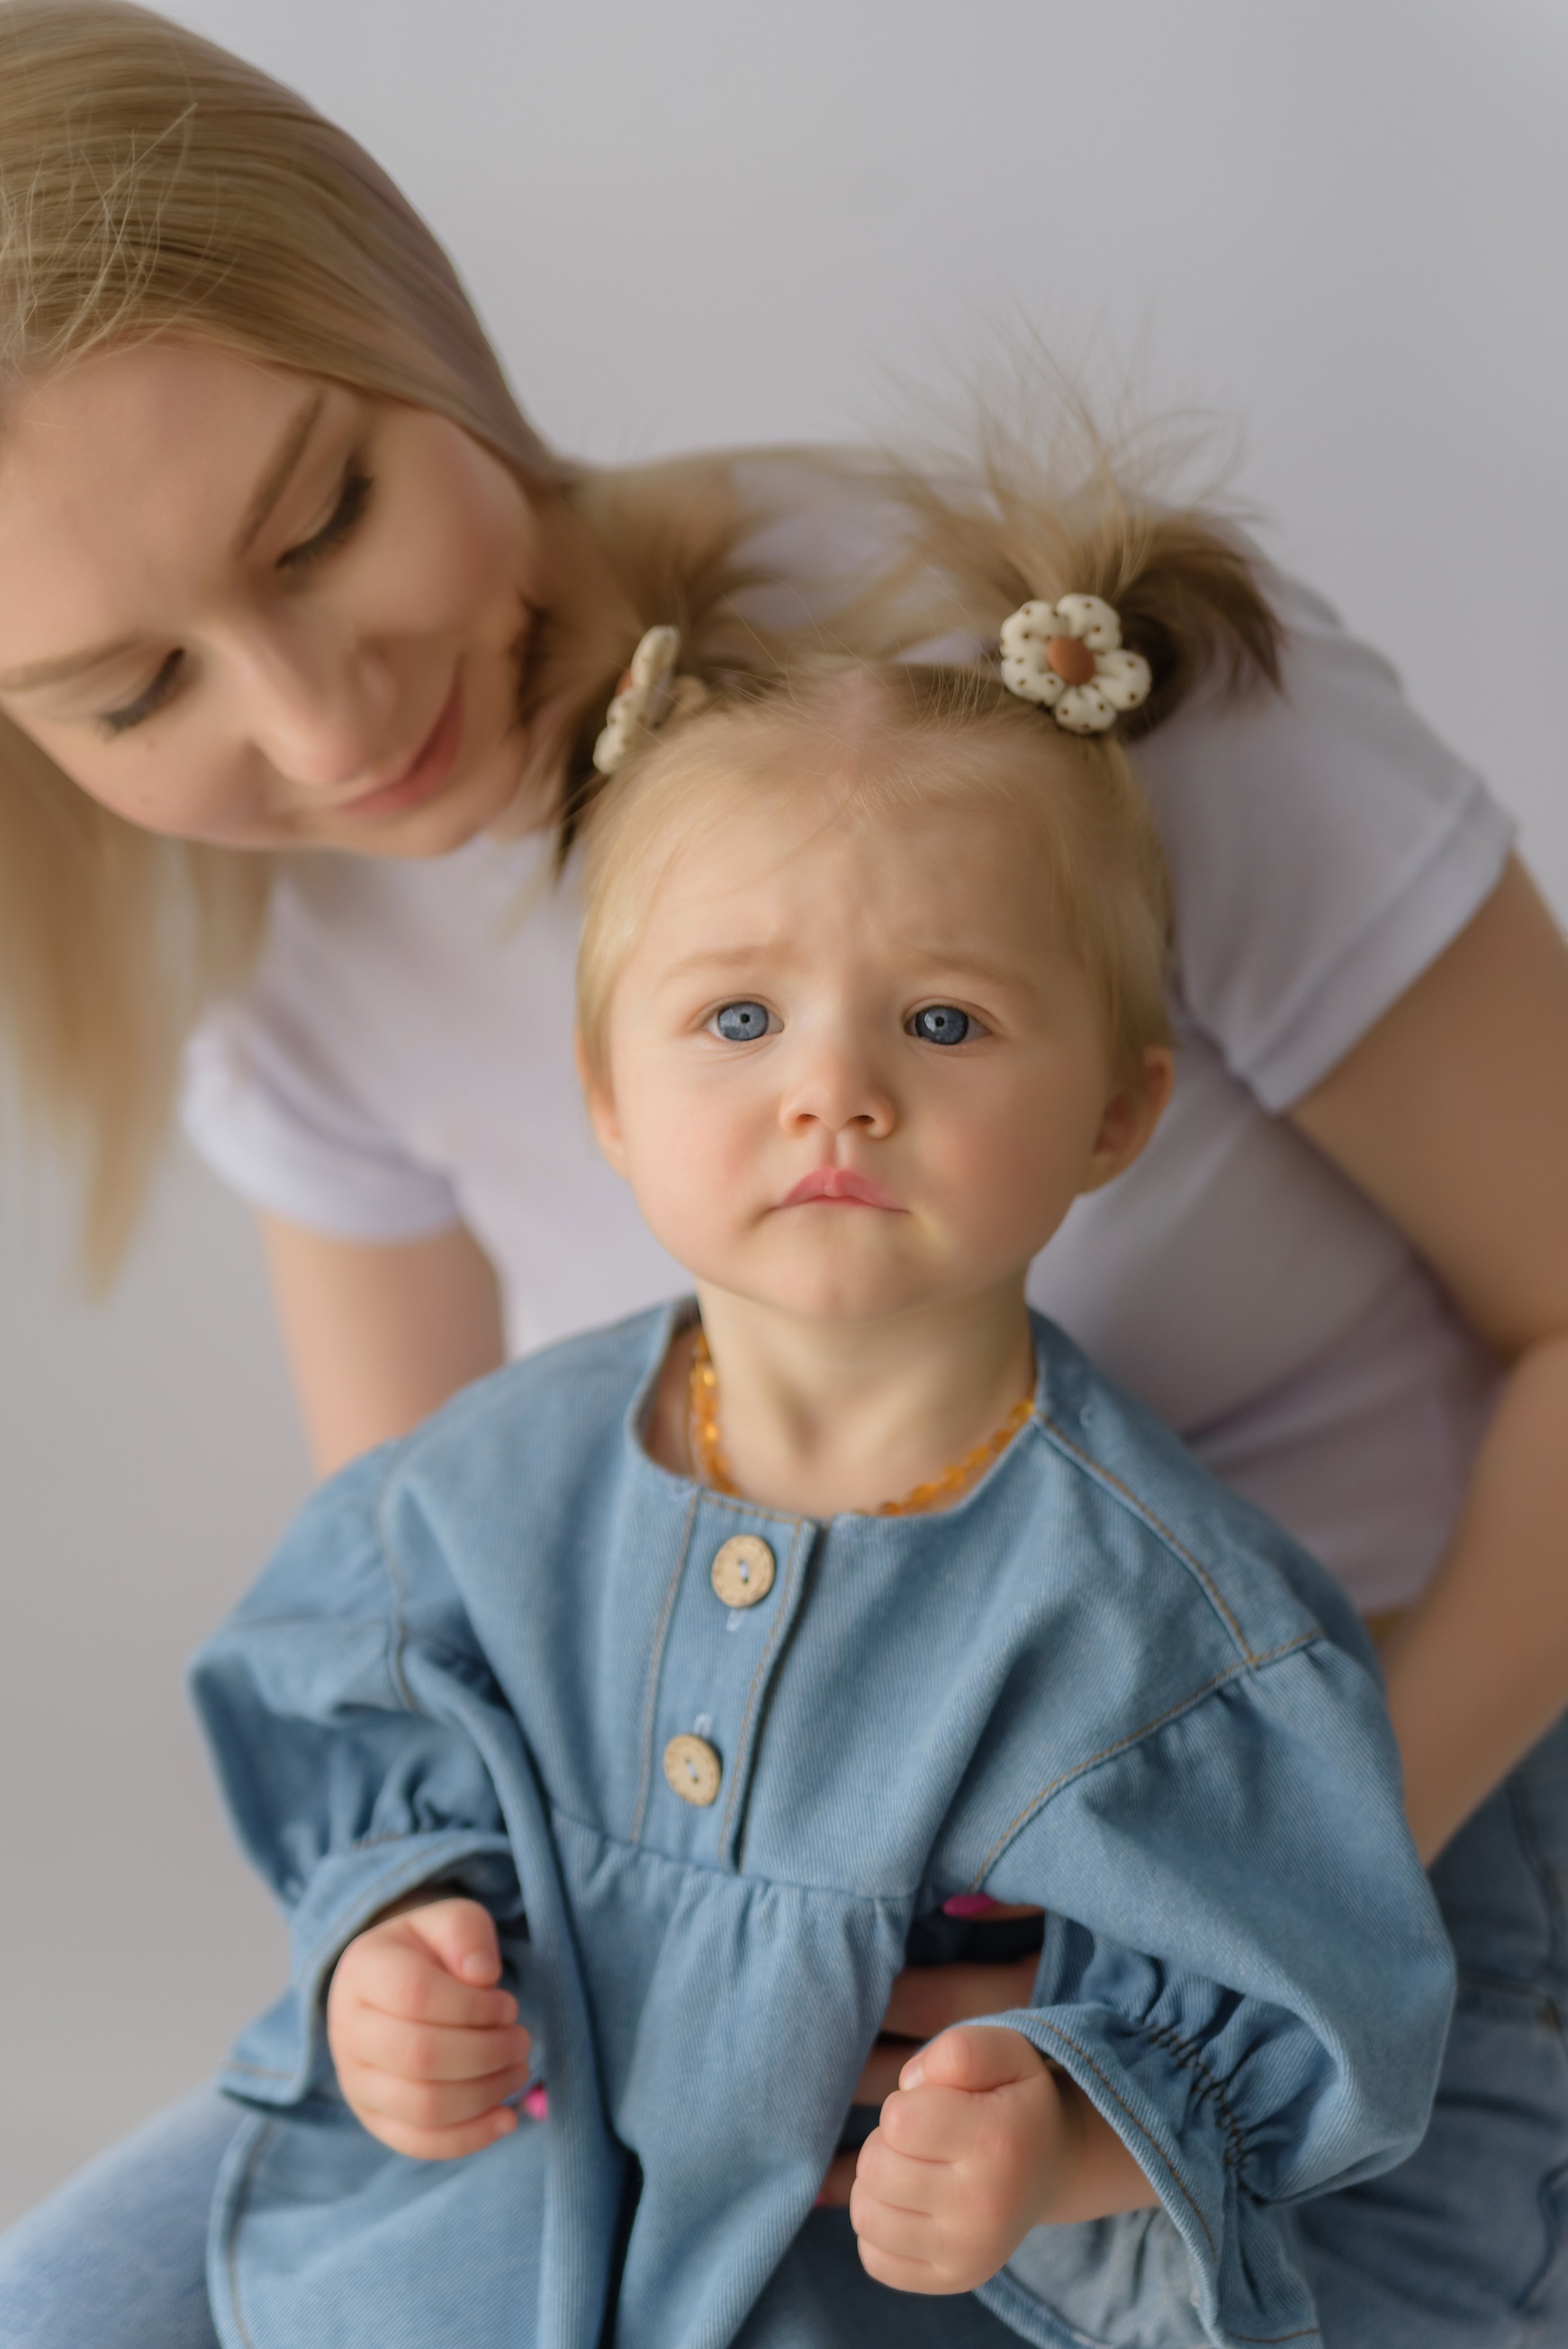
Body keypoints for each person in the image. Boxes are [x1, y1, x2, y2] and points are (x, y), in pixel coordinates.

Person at [0, 5, 1564, 2344]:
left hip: (1366, 1868)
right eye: (137, 691)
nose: (325, 723)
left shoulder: (1049, 703)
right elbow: (441, 1645)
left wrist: (1216, 1946)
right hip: (727, 1937)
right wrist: (406, 1944)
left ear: (416, 318)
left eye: (322, 520)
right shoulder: (297, 964)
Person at [187, 556, 1455, 2348]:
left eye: (942, 1021)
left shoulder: (1165, 1622)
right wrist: (391, 1954)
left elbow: (1290, 2011)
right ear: (610, 1096)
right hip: (507, 2202)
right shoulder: (485, 1489)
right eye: (740, 1019)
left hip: (891, 2286)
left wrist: (1056, 2136)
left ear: (1116, 1110)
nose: (833, 1090)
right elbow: (373, 1743)